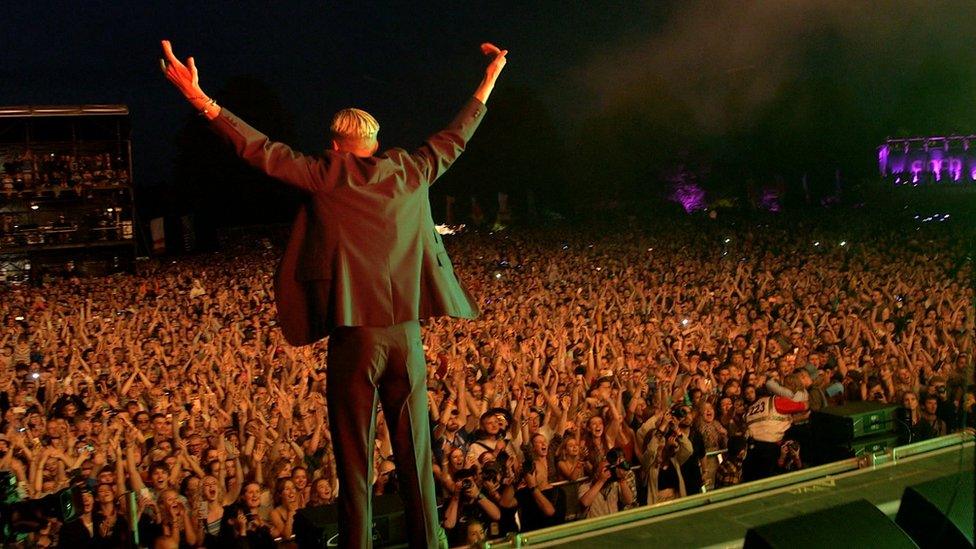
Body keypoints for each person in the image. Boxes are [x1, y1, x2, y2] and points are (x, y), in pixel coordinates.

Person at [160, 39, 508, 549]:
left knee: (354, 457)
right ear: (373, 140)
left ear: (339, 143)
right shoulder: (413, 171)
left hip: (356, 340)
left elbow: (258, 149)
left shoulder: (325, 175)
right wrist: (490, 76)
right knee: (415, 452)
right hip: (406, 338)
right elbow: (460, 132)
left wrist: (202, 101)